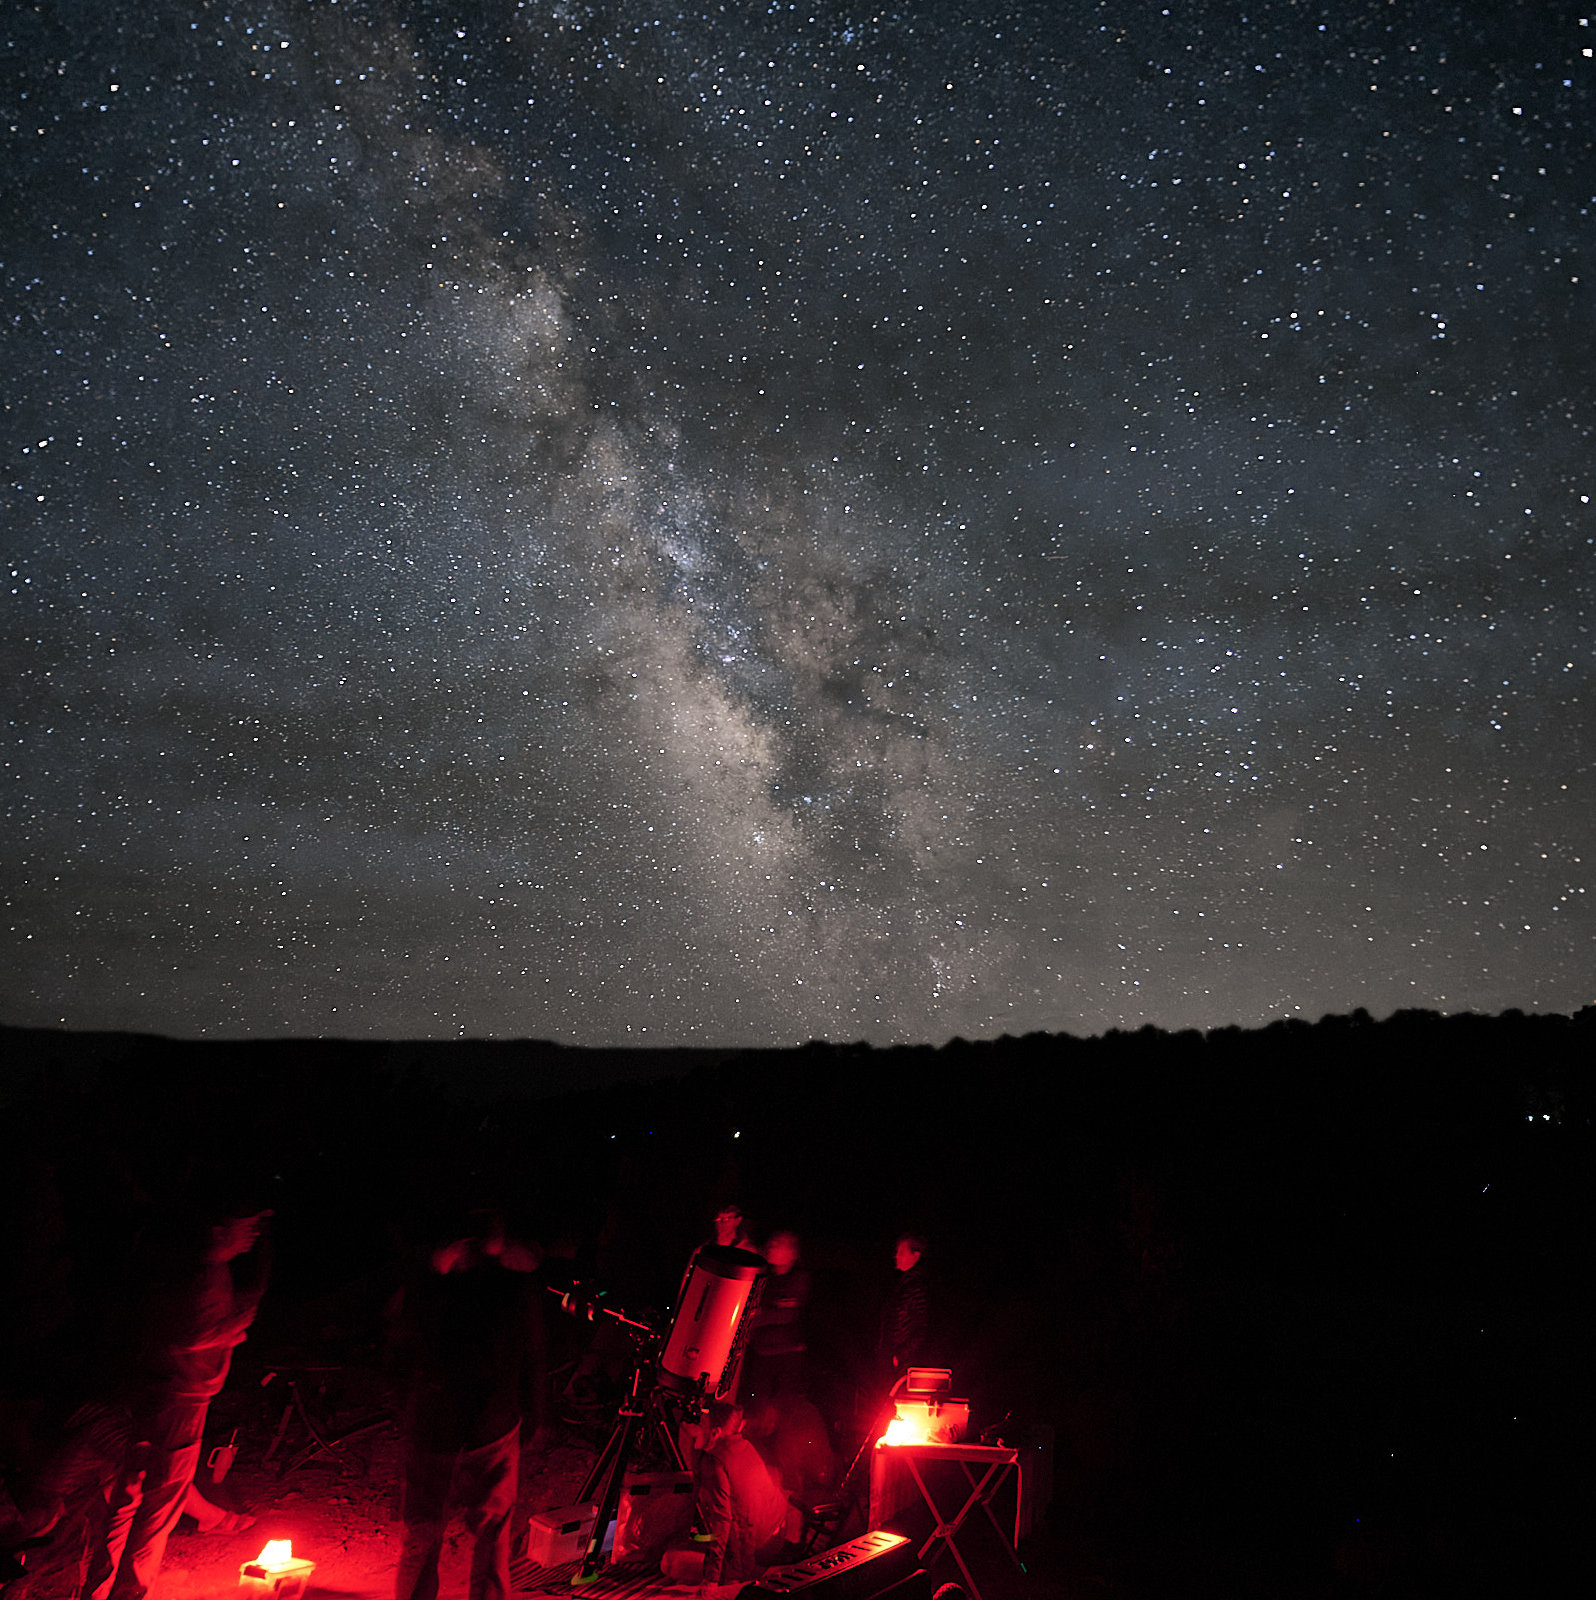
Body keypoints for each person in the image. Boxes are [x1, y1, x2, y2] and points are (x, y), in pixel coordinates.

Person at [84, 1200, 271, 1600]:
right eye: (247, 1225)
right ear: (218, 1230)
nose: (253, 1234)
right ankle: (129, 1592)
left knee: (131, 1492)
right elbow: (187, 1335)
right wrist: (233, 1326)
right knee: (160, 1503)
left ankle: (98, 1590)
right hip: (181, 1397)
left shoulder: (180, 1267)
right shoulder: (203, 1274)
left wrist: (227, 1329)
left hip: (155, 1389)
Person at [391, 1210, 544, 1600]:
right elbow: (532, 1353)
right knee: (489, 1532)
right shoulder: (512, 1286)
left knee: (424, 1532)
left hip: (443, 1420)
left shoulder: (430, 1288)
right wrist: (535, 1410)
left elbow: (402, 1348)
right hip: (488, 1421)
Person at [694, 1401, 788, 1592]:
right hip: (776, 1533)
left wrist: (712, 1578)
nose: (696, 1430)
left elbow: (723, 1520)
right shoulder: (743, 1446)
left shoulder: (716, 1461)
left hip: (759, 1544)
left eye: (702, 1425)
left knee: (670, 1563)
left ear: (715, 1432)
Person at [742, 1232, 810, 1405]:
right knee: (758, 1403)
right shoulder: (764, 1277)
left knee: (782, 1405)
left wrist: (757, 1317)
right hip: (761, 1352)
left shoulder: (798, 1278)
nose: (772, 1247)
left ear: (792, 1253)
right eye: (771, 1243)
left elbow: (786, 1314)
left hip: (787, 1354)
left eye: (779, 1244)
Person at [880, 1234, 928, 1378]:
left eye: (902, 1252)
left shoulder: (916, 1287)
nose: (897, 1256)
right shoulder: (902, 1284)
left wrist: (901, 1355)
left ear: (916, 1255)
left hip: (904, 1362)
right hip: (895, 1357)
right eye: (897, 1252)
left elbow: (922, 1326)